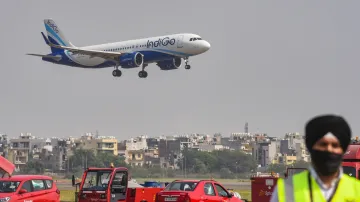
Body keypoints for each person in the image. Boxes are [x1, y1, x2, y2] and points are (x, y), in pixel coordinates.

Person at [270, 114, 360, 202]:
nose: (329, 149)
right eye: (323, 144)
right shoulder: (288, 189)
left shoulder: (357, 190)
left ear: (343, 150)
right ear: (310, 147)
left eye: (335, 145)